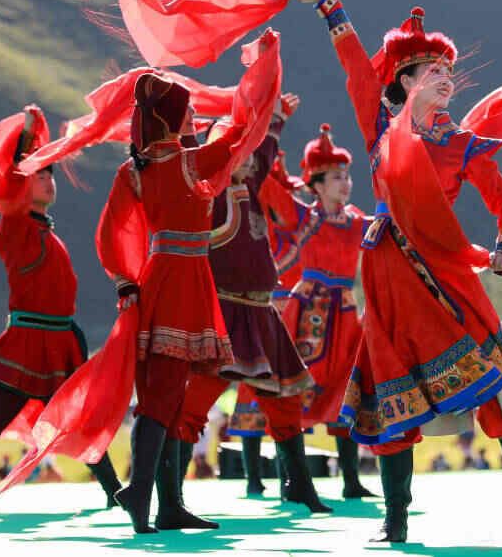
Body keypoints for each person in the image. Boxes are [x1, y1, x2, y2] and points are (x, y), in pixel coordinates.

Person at [293, 0, 502, 543]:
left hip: (447, 274)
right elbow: (357, 73)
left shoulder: (463, 144)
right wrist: (332, 7)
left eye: (448, 69)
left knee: (497, 383)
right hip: (390, 272)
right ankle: (395, 521)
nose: (445, 77)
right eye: (432, 70)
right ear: (405, 82)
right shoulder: (381, 131)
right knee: (392, 391)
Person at [96, 69, 273, 533]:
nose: (194, 112)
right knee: (163, 396)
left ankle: (168, 504)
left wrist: (125, 281)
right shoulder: (190, 163)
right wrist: (264, 70)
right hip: (181, 280)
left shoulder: (134, 170)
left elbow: (111, 232)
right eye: (187, 108)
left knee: (171, 396)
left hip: (165, 277)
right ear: (171, 117)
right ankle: (141, 493)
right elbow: (241, 133)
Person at [0, 107, 121, 514]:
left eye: (51, 175)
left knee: (79, 419)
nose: (49, 181)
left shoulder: (47, 233)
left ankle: (114, 491)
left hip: (58, 344)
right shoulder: (15, 229)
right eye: (40, 176)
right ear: (22, 185)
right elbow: (13, 178)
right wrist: (26, 138)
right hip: (25, 344)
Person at [164, 94, 335, 517]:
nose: (246, 158)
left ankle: (300, 488)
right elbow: (188, 164)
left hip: (261, 313)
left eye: (246, 151)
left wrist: (274, 119)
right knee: (195, 404)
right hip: (224, 315)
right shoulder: (208, 197)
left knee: (284, 401)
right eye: (235, 151)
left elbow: (265, 151)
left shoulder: (250, 187)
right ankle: (171, 499)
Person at [239, 123, 377, 500]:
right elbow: (265, 185)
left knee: (347, 389)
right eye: (336, 177)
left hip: (345, 315)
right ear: (315, 184)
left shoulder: (359, 222)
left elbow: (391, 232)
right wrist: (262, 133)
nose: (346, 183)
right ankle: (292, 480)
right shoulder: (303, 217)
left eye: (347, 176)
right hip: (306, 313)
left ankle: (351, 480)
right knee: (296, 391)